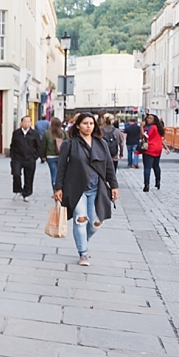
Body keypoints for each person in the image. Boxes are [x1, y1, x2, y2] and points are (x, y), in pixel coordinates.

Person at [53, 112, 120, 267]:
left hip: (97, 188)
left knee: (96, 221)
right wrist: (58, 188)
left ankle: (83, 241)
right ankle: (83, 253)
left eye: (91, 123)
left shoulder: (101, 143)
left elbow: (109, 166)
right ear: (78, 126)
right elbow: (61, 167)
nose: (88, 126)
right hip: (76, 188)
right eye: (85, 123)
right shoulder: (69, 144)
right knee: (80, 219)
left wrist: (114, 186)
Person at [9, 115, 42, 202]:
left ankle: (26, 193)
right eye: (25, 121)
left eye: (28, 122)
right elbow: (13, 145)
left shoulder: (35, 133)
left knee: (29, 177)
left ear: (31, 123)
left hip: (29, 158)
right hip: (17, 158)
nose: (26, 123)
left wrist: (34, 157)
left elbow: (38, 146)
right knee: (16, 174)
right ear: (21, 123)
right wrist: (12, 155)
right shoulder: (16, 133)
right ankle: (18, 190)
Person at [140, 113, 170, 192]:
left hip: (149, 149)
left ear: (154, 120)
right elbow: (162, 139)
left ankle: (146, 184)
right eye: (148, 118)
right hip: (158, 149)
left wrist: (141, 127)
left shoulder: (150, 128)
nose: (148, 119)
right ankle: (158, 181)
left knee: (147, 167)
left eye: (150, 118)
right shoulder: (159, 128)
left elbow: (144, 136)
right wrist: (166, 148)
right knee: (156, 166)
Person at [40, 117, 65, 189]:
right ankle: (60, 189)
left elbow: (44, 145)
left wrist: (43, 156)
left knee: (54, 173)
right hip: (61, 156)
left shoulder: (47, 133)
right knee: (61, 174)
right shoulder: (63, 133)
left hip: (50, 156)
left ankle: (55, 189)